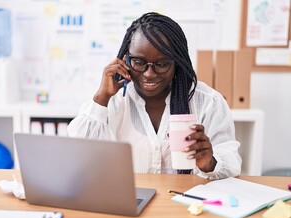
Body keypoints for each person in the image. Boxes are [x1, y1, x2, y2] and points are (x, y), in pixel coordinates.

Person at [67, 12, 241, 179]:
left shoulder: (208, 102)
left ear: (177, 62)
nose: (149, 74)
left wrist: (209, 163)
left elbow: (232, 166)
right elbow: (79, 158)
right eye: (139, 62)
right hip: (129, 202)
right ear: (126, 60)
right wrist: (102, 96)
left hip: (187, 203)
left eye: (161, 63)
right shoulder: (113, 101)